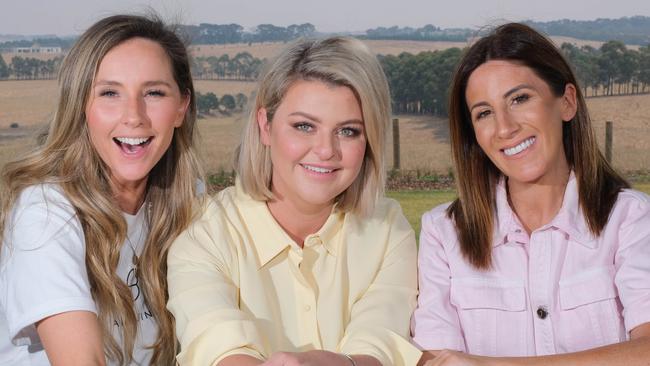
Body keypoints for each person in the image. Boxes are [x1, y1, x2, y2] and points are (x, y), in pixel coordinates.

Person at [167, 36, 421, 366]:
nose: (326, 149)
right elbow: (216, 344)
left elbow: (382, 342)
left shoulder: (388, 229)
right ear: (265, 127)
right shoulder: (204, 233)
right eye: (304, 126)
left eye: (348, 131)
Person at [411, 23, 650, 366]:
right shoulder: (443, 233)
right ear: (473, 133)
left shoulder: (630, 219)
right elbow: (435, 358)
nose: (505, 127)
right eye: (484, 113)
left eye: (519, 99)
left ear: (567, 103)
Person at [0, 14, 204, 365]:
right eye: (110, 93)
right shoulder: (47, 211)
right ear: (81, 106)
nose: (133, 116)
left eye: (154, 92)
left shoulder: (192, 202)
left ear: (181, 107)